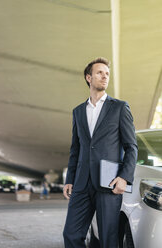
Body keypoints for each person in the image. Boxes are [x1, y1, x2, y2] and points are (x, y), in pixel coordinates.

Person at [63, 57, 138, 248]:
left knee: (108, 239)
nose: (104, 77)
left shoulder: (120, 107)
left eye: (107, 74)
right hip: (81, 184)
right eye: (99, 73)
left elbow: (131, 147)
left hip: (109, 183)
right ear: (89, 77)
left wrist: (124, 177)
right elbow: (76, 148)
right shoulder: (78, 111)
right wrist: (70, 178)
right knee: (71, 234)